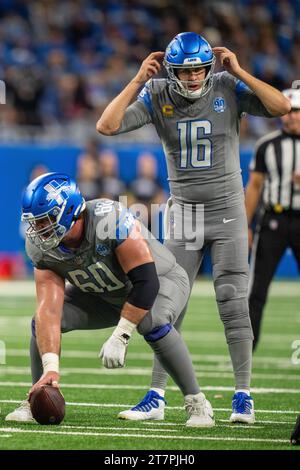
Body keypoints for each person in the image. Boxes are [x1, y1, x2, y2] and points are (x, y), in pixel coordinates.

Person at [96, 32, 291, 423]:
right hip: (184, 213)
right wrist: (136, 81)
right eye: (184, 71)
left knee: (233, 302)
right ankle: (156, 396)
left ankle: (243, 396)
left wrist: (240, 71)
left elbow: (281, 105)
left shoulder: (225, 84)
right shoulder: (155, 92)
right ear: (171, 71)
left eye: (199, 69)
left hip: (228, 211)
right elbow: (107, 125)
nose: (193, 78)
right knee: (165, 304)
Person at [5, 171, 214, 428]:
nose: (38, 230)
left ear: (69, 210)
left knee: (153, 321)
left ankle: (197, 402)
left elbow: (146, 282)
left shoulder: (109, 218)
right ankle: (36, 394)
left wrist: (121, 335)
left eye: (45, 220)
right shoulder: (41, 248)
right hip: (103, 293)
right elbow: (48, 310)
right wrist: (51, 367)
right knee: (42, 321)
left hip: (161, 280)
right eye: (35, 222)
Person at [246, 88, 300, 350]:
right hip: (273, 220)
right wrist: (244, 225)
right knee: (257, 289)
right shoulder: (267, 145)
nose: (291, 117)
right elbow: (254, 187)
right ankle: (247, 348)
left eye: (297, 112)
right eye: (289, 112)